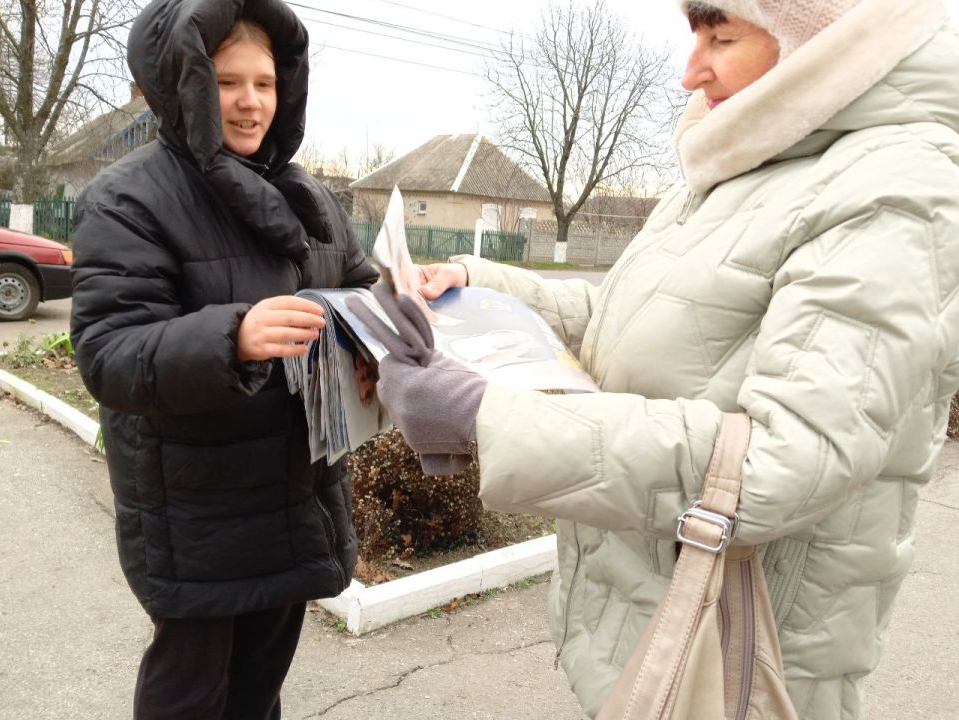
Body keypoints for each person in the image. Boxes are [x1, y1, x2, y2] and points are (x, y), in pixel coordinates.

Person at [356, 1, 959, 717]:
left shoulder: (896, 191)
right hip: (650, 619)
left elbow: (786, 462)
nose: (688, 71)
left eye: (721, 35)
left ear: (825, 39)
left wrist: (482, 417)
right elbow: (629, 319)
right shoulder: (739, 164)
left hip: (739, 658)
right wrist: (477, 287)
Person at [69, 0, 378, 717]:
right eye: (226, 80)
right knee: (188, 698)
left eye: (265, 83)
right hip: (195, 513)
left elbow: (360, 290)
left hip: (294, 496)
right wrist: (233, 336)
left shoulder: (311, 200)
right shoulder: (127, 200)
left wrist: (393, 318)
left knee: (258, 694)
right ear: (184, 83)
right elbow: (110, 356)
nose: (249, 103)